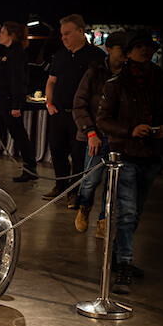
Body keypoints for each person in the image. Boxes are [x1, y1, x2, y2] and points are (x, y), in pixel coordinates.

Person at [96, 29, 163, 294]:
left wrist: (161, 128)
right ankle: (124, 264)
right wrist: (130, 130)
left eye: (148, 47)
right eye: (139, 47)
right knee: (126, 213)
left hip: (150, 154)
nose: (145, 51)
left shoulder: (157, 79)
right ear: (128, 53)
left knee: (135, 213)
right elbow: (102, 120)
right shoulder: (116, 83)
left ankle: (118, 256)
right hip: (125, 154)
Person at [72, 29, 128, 238]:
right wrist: (90, 132)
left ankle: (104, 219)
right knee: (91, 180)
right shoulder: (94, 72)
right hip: (96, 135)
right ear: (109, 49)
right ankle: (84, 207)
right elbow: (79, 103)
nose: (126, 54)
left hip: (120, 138)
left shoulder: (130, 75)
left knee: (114, 184)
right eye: (123, 49)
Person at [42, 14, 104, 203]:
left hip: (81, 116)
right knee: (57, 151)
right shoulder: (60, 55)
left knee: (78, 155)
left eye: (67, 33)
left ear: (80, 31)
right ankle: (60, 187)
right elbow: (51, 82)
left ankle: (74, 193)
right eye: (62, 34)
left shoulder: (96, 56)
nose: (64, 38)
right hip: (59, 113)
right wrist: (49, 104)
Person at [0, 21, 38, 182]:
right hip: (2, 101)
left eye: (3, 32)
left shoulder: (16, 54)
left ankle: (30, 168)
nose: (0, 35)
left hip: (10, 102)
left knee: (18, 134)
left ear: (11, 35)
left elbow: (17, 81)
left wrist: (16, 105)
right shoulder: (7, 52)